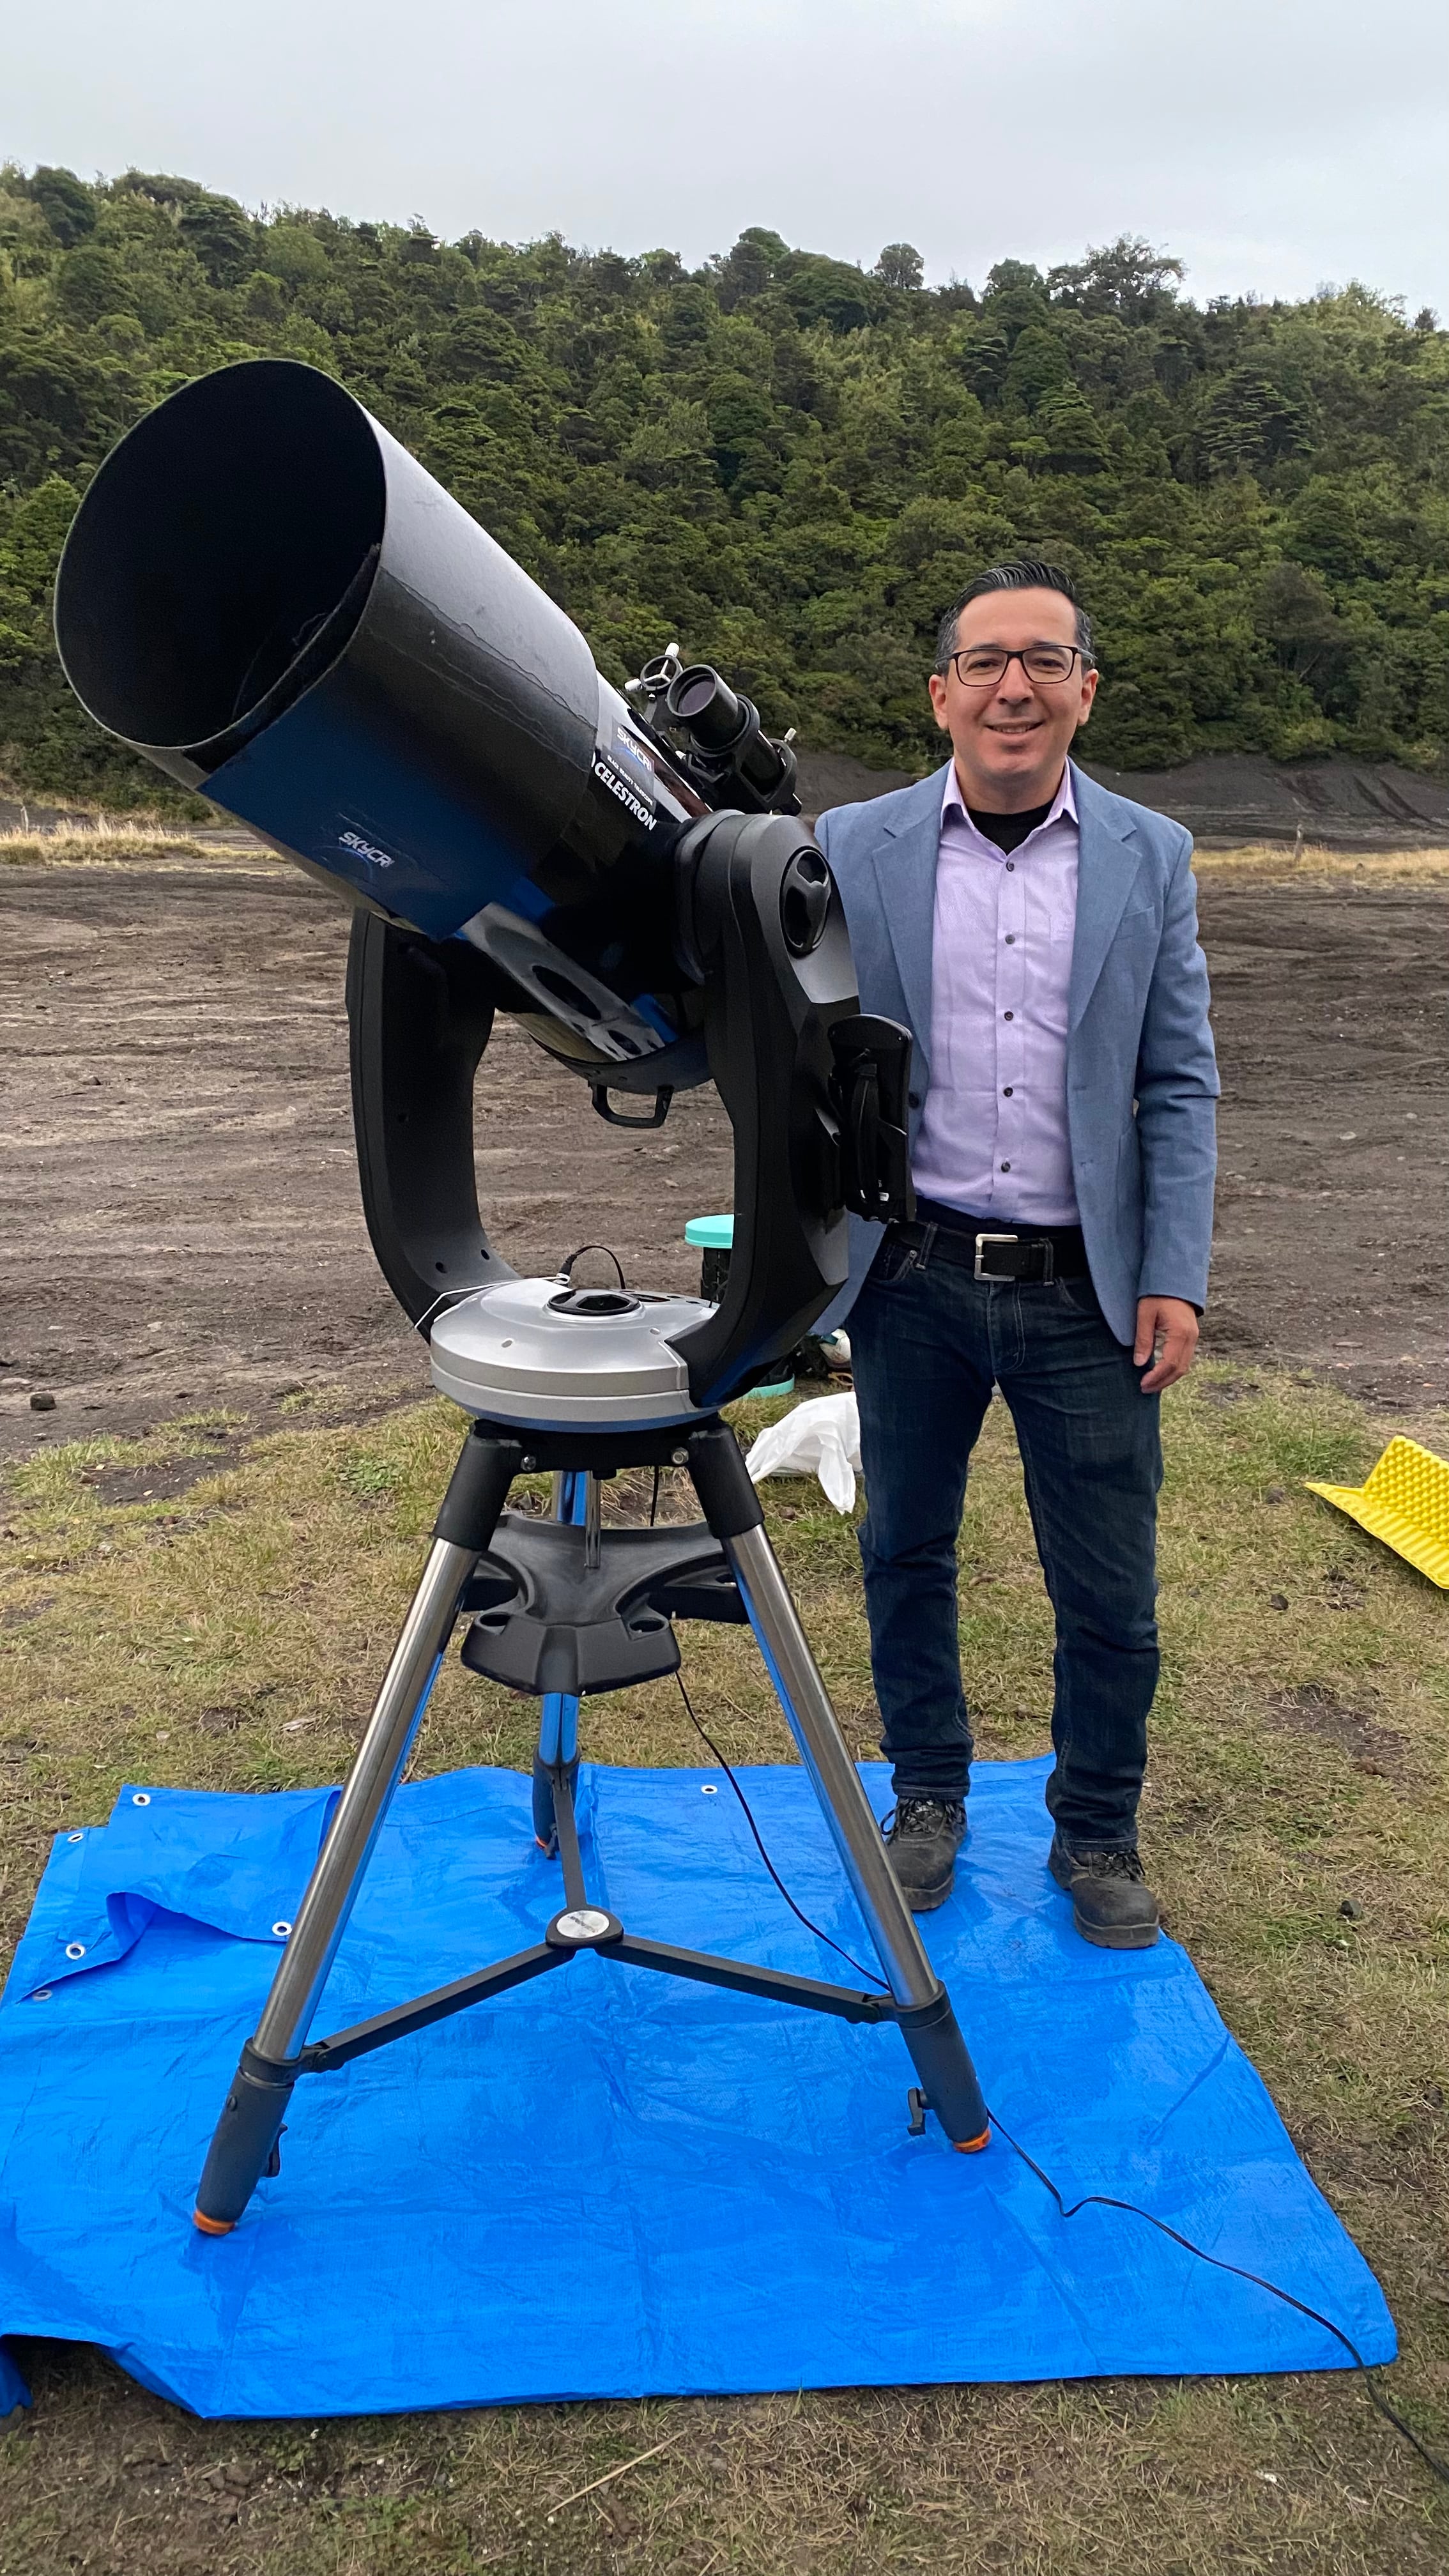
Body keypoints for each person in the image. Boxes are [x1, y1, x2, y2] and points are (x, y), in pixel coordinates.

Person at [815, 560, 1218, 1948]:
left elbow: (1178, 1081)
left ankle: (1097, 1824)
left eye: (1046, 661)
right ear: (940, 695)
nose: (1014, 686)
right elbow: (799, 1063)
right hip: (911, 1281)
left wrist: (1173, 1269)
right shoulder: (850, 845)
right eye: (986, 662)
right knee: (903, 1550)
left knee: (1108, 1585)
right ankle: (927, 1794)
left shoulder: (1151, 856)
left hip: (1085, 1297)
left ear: (1085, 693)